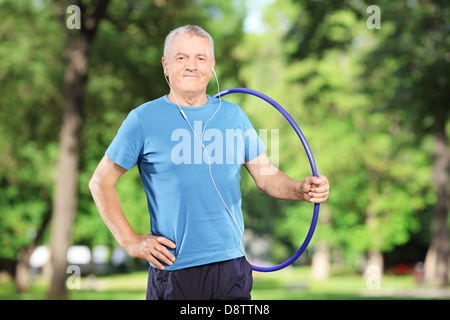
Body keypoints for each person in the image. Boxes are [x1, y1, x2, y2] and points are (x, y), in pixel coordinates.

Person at [89, 25, 329, 300]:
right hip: (174, 270)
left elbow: (266, 177)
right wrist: (130, 241)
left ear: (211, 66)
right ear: (166, 65)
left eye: (200, 58)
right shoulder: (142, 120)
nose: (192, 66)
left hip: (231, 269)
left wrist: (301, 189)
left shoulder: (234, 116)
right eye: (181, 58)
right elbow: (100, 182)